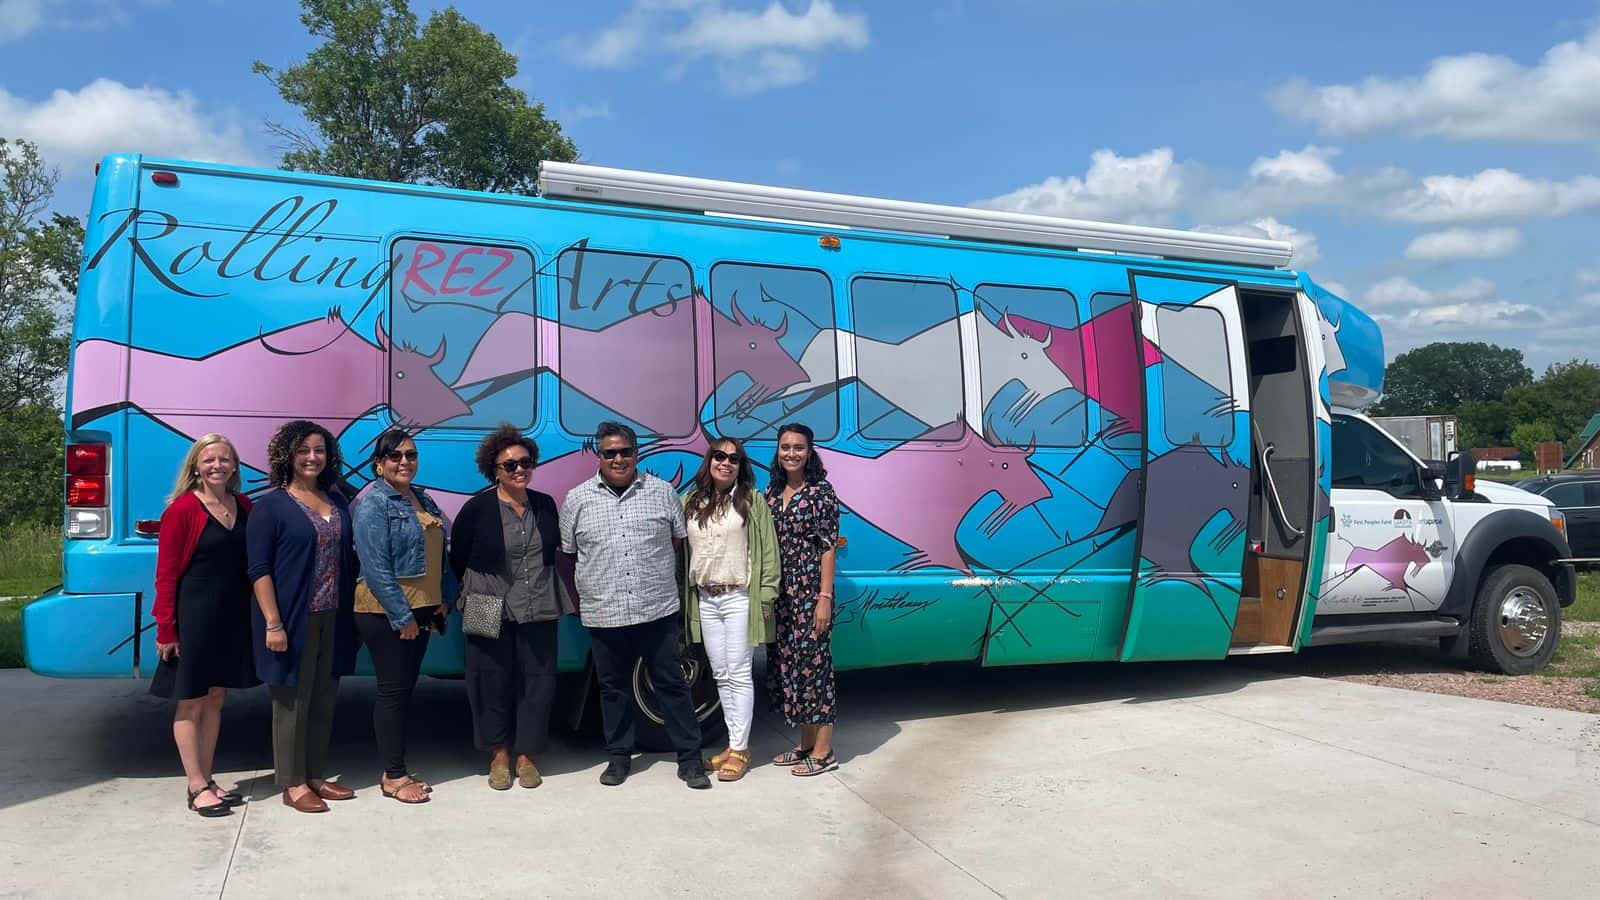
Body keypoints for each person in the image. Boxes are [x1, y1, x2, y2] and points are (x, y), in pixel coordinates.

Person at [560, 421, 709, 790]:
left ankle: (690, 760)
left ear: (636, 453)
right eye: (610, 452)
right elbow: (570, 553)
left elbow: (675, 542)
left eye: (625, 451)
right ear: (599, 455)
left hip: (655, 609)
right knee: (612, 690)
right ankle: (619, 758)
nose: (618, 458)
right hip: (604, 611)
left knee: (671, 685)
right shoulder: (577, 499)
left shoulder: (662, 492)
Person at [246, 420, 360, 814]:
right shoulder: (272, 507)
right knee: (292, 700)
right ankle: (292, 783)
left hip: (333, 614)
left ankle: (314, 774)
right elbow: (259, 569)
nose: (312, 458)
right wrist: (273, 623)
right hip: (293, 618)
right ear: (288, 457)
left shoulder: (338, 501)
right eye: (303, 451)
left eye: (319, 450)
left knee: (324, 697)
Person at [450, 424, 571, 792]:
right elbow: (459, 559)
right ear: (495, 470)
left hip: (538, 600)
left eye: (525, 462)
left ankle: (527, 756)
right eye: (509, 465)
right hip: (485, 601)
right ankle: (499, 754)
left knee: (537, 679)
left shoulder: (545, 504)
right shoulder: (477, 507)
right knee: (489, 679)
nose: (519, 469)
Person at [150, 433, 258, 818]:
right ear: (195, 465)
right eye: (209, 459)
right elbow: (165, 575)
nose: (217, 466)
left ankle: (209, 779)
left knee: (216, 698)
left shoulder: (243, 505)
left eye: (224, 459)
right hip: (194, 616)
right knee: (191, 700)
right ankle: (195, 785)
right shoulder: (182, 509)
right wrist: (166, 628)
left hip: (230, 617)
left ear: (234, 466)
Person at [351, 428, 457, 804]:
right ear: (379, 464)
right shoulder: (373, 504)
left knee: (404, 690)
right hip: (386, 613)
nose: (404, 462)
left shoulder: (421, 498)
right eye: (395, 456)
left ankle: (394, 768)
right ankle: (393, 776)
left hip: (420, 611)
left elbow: (440, 554)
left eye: (410, 455)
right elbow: (375, 567)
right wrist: (402, 616)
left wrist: (444, 598)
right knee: (393, 693)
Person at [680, 437, 780, 782]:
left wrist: (766, 595)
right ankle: (732, 745)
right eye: (719, 456)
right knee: (720, 674)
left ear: (741, 465)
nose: (726, 463)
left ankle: (740, 749)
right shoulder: (690, 502)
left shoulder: (752, 501)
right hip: (706, 599)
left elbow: (768, 550)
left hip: (740, 597)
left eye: (733, 459)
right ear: (709, 461)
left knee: (739, 673)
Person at [765, 423, 841, 776]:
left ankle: (824, 752)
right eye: (785, 447)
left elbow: (827, 548)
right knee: (792, 669)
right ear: (777, 452)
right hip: (782, 595)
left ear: (809, 452)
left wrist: (824, 597)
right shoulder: (772, 492)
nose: (791, 453)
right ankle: (805, 743)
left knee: (817, 671)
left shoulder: (820, 493)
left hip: (810, 592)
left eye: (798, 447)